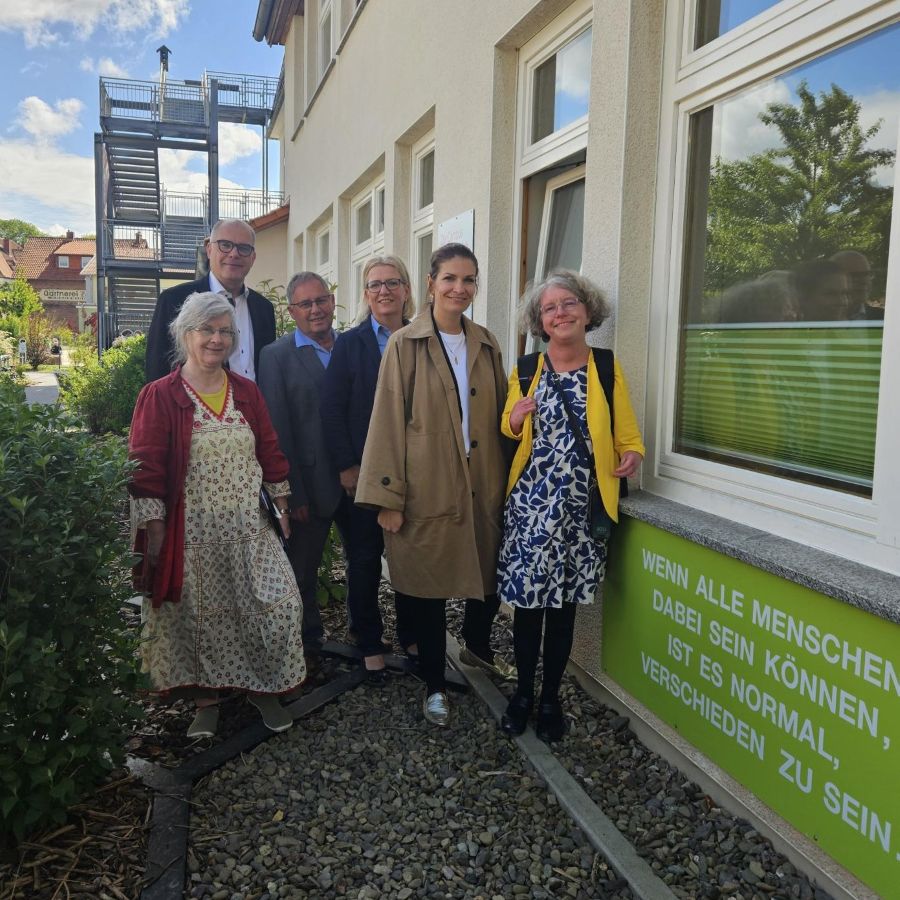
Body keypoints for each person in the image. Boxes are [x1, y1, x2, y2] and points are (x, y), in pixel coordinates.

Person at [129, 291, 305, 738]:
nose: (216, 339)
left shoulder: (245, 391)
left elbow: (268, 449)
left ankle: (262, 687)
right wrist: (154, 530)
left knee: (276, 607)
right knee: (197, 618)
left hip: (249, 528)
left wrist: (281, 501)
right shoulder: (160, 396)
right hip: (190, 533)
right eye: (207, 329)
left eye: (225, 331)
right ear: (185, 334)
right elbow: (146, 467)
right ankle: (205, 703)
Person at [356, 243, 514, 727]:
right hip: (425, 485)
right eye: (450, 279)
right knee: (425, 587)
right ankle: (433, 684)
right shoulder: (405, 344)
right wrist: (388, 497)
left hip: (482, 482)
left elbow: (503, 416)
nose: (459, 289)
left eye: (468, 280)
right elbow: (385, 422)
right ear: (430, 284)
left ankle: (477, 649)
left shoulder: (486, 343)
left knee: (486, 575)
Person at [497, 271, 644, 742]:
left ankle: (550, 698)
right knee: (527, 607)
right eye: (549, 308)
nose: (560, 313)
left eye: (568, 304)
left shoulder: (604, 365)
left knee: (562, 608)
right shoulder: (525, 369)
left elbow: (626, 428)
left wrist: (633, 452)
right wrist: (516, 420)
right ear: (540, 322)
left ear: (587, 310)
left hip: (582, 508)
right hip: (532, 507)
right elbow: (508, 425)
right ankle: (521, 693)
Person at [257, 272, 367, 674]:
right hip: (311, 484)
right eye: (305, 304)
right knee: (301, 569)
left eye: (321, 300)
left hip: (357, 480)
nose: (316, 309)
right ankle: (307, 645)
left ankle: (363, 630)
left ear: (332, 302)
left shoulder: (353, 346)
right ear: (292, 312)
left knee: (364, 561)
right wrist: (292, 494)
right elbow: (277, 428)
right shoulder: (276, 356)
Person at [320, 256, 419, 674]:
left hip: (416, 471)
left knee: (412, 560)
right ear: (365, 294)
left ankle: (413, 636)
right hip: (362, 471)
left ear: (407, 289)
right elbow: (332, 409)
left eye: (392, 282)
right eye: (375, 284)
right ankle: (369, 640)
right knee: (364, 560)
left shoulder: (423, 339)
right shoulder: (350, 343)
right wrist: (346, 466)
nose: (384, 291)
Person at [144, 219, 275, 382]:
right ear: (209, 249)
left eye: (243, 248)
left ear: (253, 257)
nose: (234, 254)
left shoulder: (264, 308)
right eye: (225, 245)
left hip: (255, 406)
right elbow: (157, 371)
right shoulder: (174, 301)